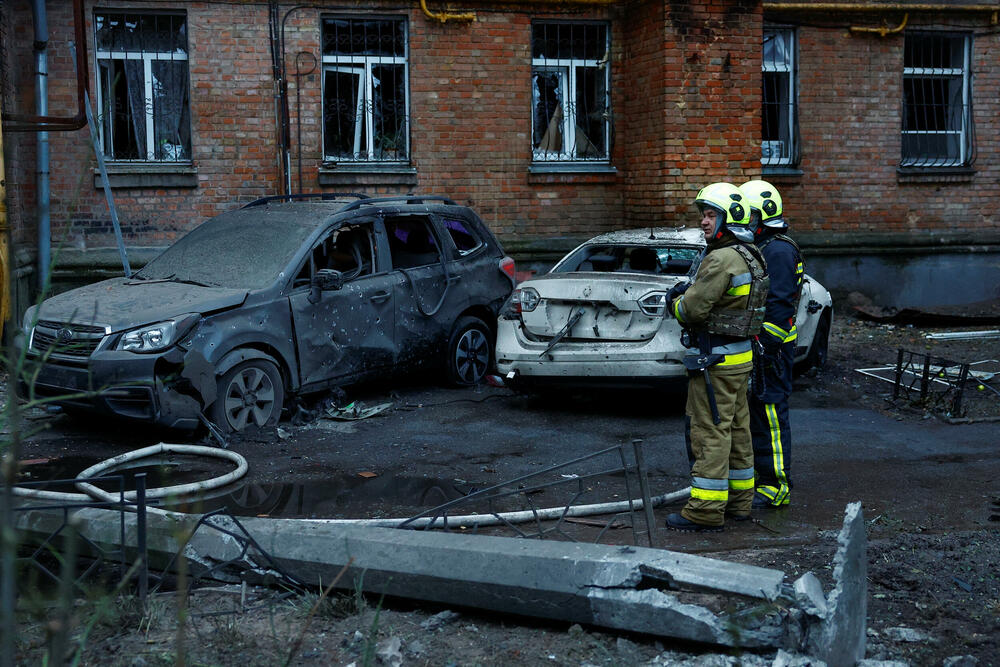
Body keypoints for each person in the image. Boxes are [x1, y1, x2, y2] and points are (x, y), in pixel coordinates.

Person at [665, 182, 769, 531]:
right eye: (703, 216)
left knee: (709, 432)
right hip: (740, 360)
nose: (704, 222)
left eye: (711, 215)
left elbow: (691, 311)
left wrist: (675, 300)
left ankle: (705, 511)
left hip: (716, 364)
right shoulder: (751, 253)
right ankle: (739, 503)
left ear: (729, 218)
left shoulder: (721, 258)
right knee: (738, 432)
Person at [739, 180, 803, 509]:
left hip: (772, 350)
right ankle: (760, 478)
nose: (743, 221)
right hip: (764, 347)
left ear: (763, 215)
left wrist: (766, 347)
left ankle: (777, 485)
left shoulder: (777, 251)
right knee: (757, 417)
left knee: (771, 418)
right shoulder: (765, 246)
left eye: (748, 214)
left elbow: (779, 306)